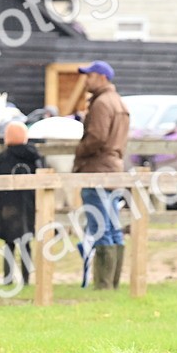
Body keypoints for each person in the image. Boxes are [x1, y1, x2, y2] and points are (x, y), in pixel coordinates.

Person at [71, 61, 130, 290]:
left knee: (100, 227)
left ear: (102, 77)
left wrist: (79, 150)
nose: (86, 79)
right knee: (113, 227)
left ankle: (103, 284)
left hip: (97, 170)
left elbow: (97, 137)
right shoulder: (119, 102)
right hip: (114, 169)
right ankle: (112, 282)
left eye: (90, 75)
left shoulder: (102, 103)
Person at [0, 121, 45, 285]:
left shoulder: (1, 159)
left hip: (8, 207)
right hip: (29, 206)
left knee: (9, 243)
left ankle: (8, 279)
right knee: (26, 242)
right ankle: (26, 279)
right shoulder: (34, 158)